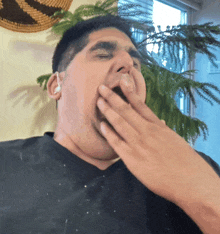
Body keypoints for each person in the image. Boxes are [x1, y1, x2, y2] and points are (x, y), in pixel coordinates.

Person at [0, 15, 220, 234]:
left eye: (136, 63)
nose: (127, 65)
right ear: (57, 84)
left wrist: (205, 194)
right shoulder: (6, 165)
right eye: (103, 54)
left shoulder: (195, 169)